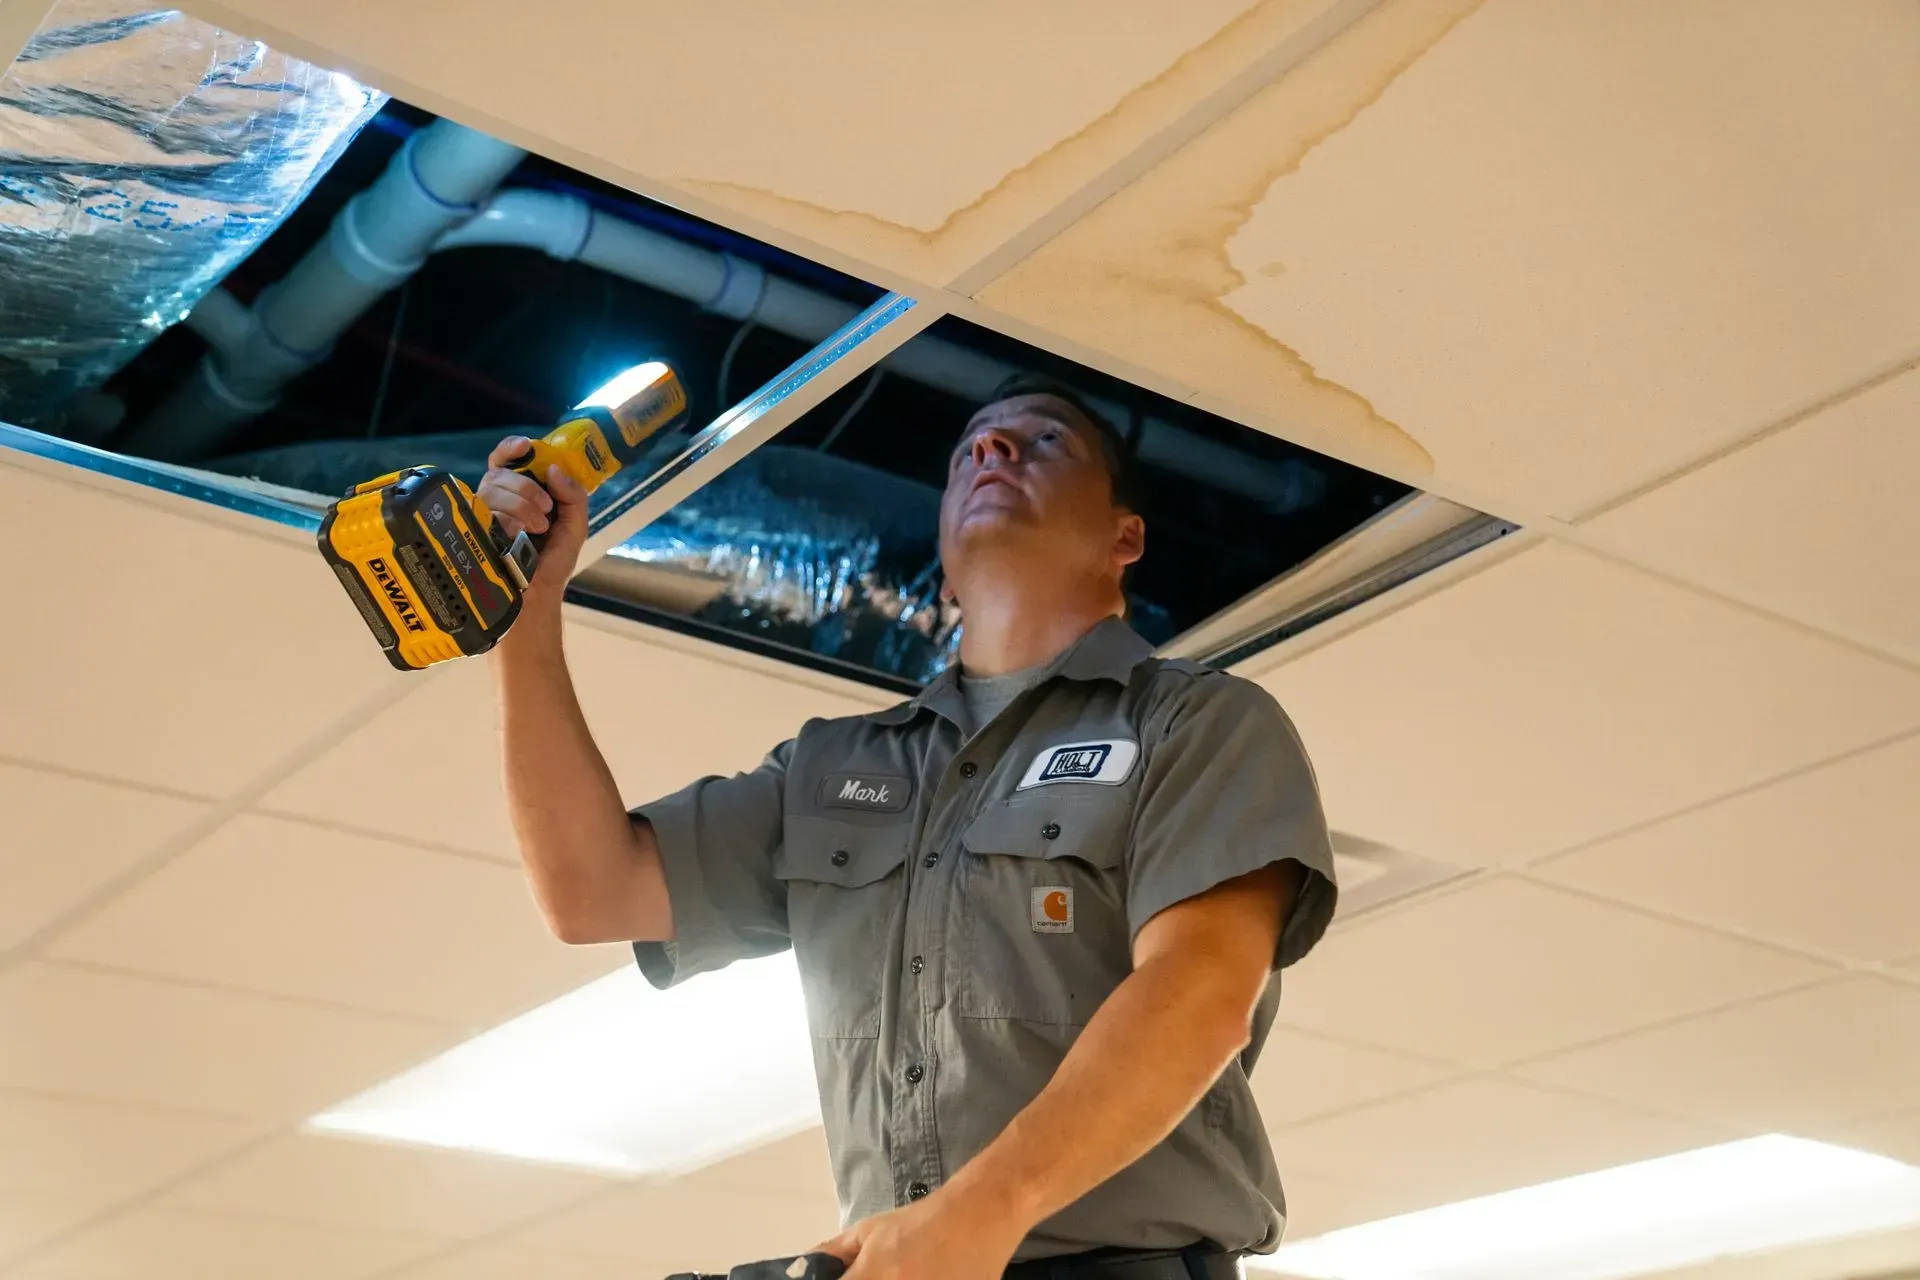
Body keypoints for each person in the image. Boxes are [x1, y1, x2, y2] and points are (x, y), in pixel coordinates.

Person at [478, 373, 1338, 1280]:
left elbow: (1202, 992)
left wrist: (980, 1212)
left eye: (1045, 440)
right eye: (971, 448)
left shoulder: (1192, 725)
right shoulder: (834, 769)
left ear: (1125, 536)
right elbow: (588, 890)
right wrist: (524, 622)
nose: (993, 451)